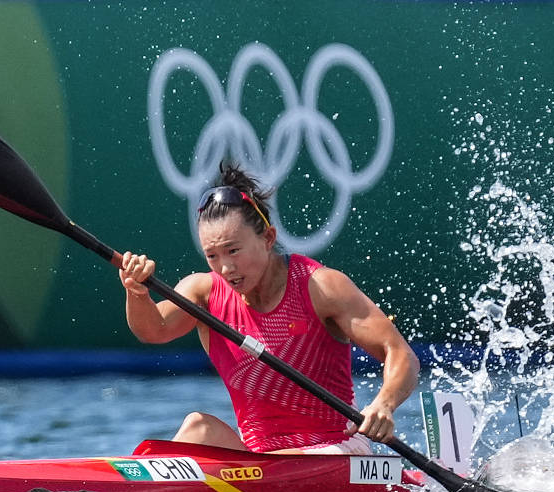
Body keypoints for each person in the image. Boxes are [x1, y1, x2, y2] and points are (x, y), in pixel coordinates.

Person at [118, 165, 419, 454]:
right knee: (198, 427)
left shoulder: (322, 287)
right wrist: (137, 292)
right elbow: (152, 330)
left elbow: (400, 353)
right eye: (212, 255)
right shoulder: (203, 293)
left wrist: (384, 404)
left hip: (337, 451)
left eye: (233, 250)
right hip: (262, 463)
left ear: (268, 238)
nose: (225, 267)